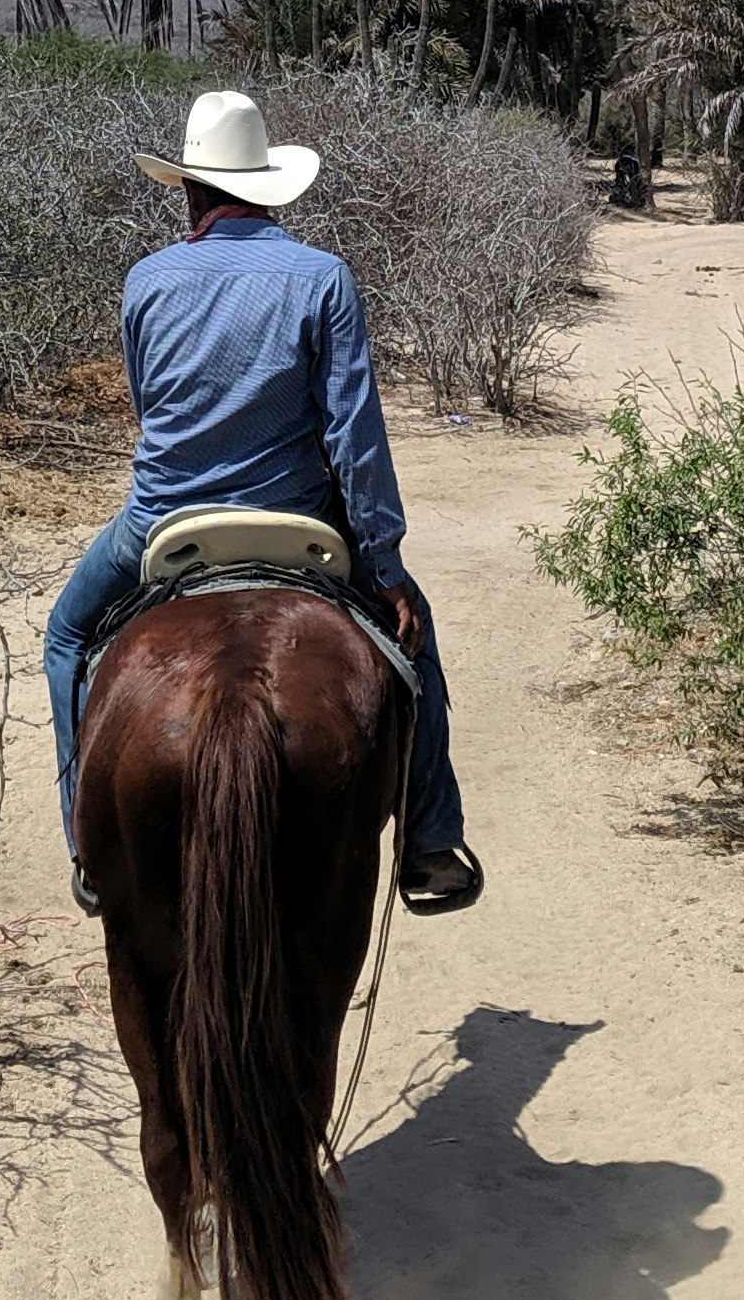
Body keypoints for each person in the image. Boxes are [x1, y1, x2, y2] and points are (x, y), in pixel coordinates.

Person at [39, 86, 483, 920]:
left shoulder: (146, 280)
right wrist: (381, 565)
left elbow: (152, 407)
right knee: (415, 644)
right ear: (266, 185)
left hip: (161, 524)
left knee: (66, 636)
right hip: (302, 522)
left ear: (190, 189)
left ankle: (85, 844)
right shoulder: (322, 278)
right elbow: (355, 436)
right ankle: (429, 835)